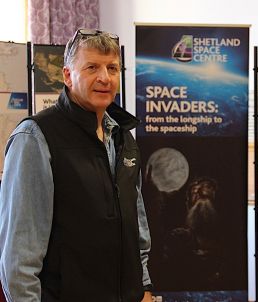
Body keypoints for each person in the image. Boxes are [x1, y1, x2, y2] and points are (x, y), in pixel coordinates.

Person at [0, 29, 153, 302]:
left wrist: (144, 288)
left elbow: (136, 225)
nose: (104, 77)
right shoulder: (36, 138)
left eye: (112, 68)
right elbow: (19, 257)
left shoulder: (123, 138)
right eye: (92, 67)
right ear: (68, 75)